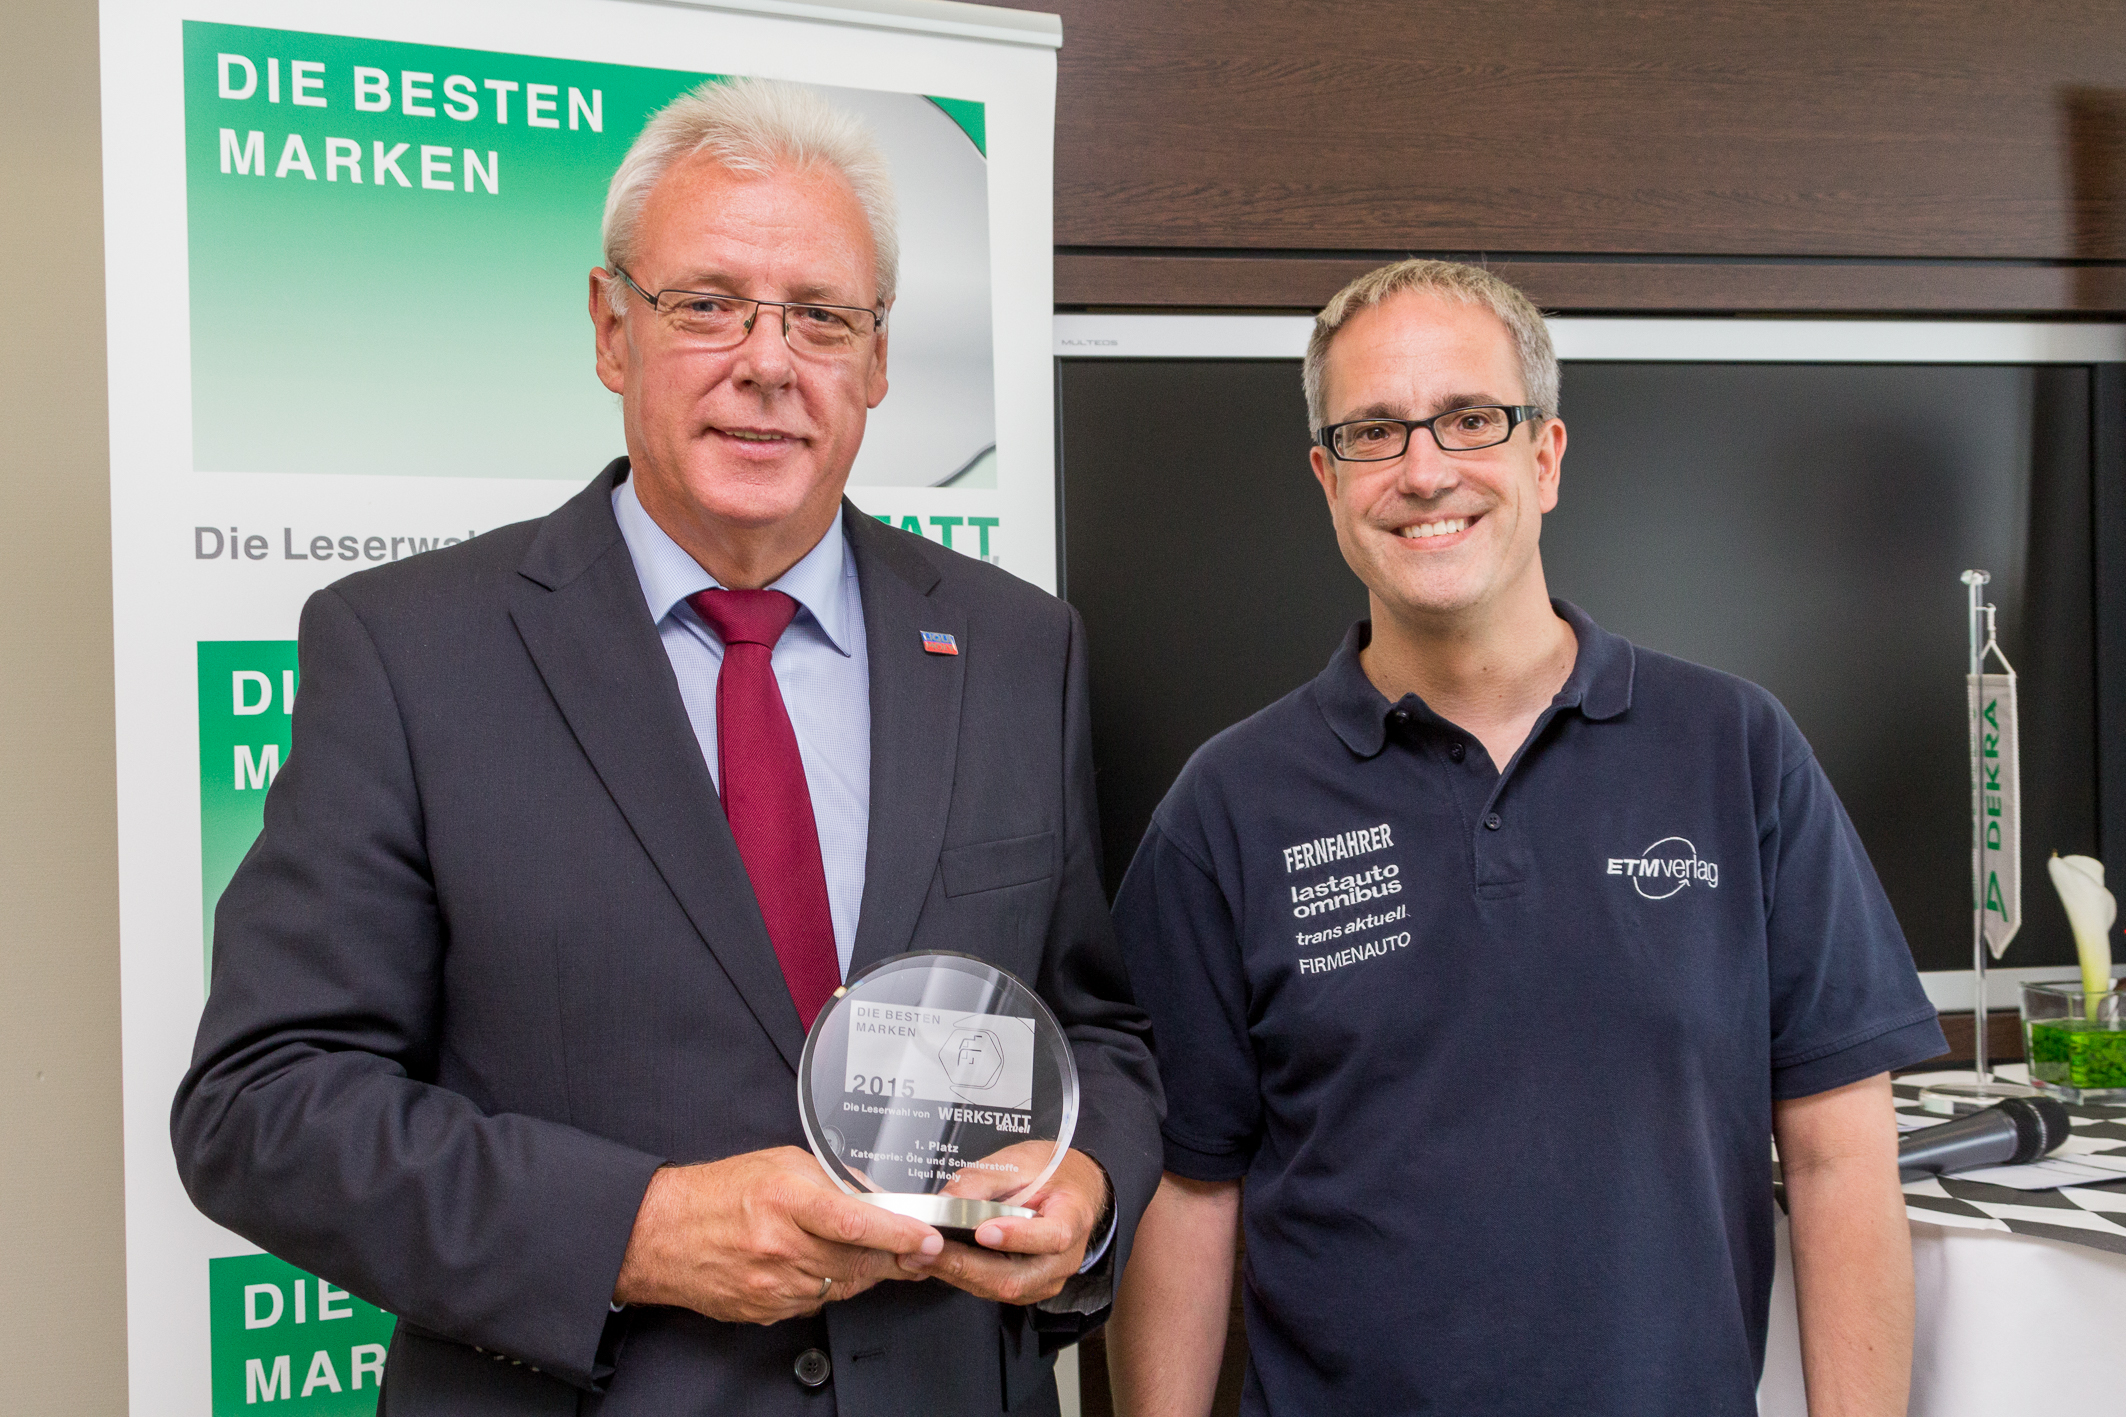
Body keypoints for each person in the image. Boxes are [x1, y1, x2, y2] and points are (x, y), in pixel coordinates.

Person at [172, 78, 1160, 1417]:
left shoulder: (1016, 648)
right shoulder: (406, 652)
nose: (767, 362)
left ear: (875, 361)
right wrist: (634, 1230)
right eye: (706, 304)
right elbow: (261, 1106)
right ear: (610, 329)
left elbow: (1095, 1027)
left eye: (819, 316)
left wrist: (1086, 1186)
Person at [1102, 259, 1946, 1417]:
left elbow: (1838, 1153)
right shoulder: (1226, 806)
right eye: (1371, 431)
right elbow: (1187, 1193)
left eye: (1468, 418)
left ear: (1543, 457)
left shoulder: (1734, 750)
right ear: (1326, 477)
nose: (1422, 470)